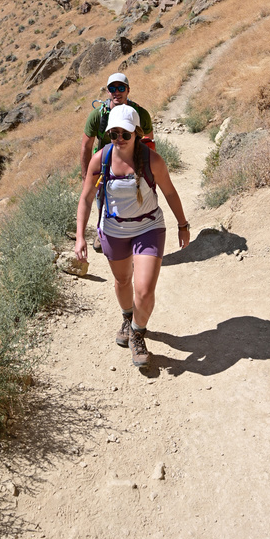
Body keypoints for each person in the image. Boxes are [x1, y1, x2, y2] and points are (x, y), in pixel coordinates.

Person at [75, 105, 190, 367]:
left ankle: (138, 334)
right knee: (122, 280)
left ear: (136, 133)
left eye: (124, 134)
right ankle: (127, 318)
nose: (119, 140)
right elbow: (85, 198)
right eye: (113, 134)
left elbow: (170, 193)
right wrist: (80, 236)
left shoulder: (152, 161)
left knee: (145, 290)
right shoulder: (101, 160)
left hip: (148, 228)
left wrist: (182, 224)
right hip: (115, 230)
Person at [81, 72, 154, 252]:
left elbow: (149, 142)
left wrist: (151, 172)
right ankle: (103, 231)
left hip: (133, 161)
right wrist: (86, 177)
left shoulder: (141, 114)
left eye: (121, 88)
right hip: (104, 163)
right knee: (101, 198)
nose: (117, 92)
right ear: (107, 91)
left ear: (128, 90)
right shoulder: (97, 116)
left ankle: (136, 233)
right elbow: (86, 146)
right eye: (112, 88)